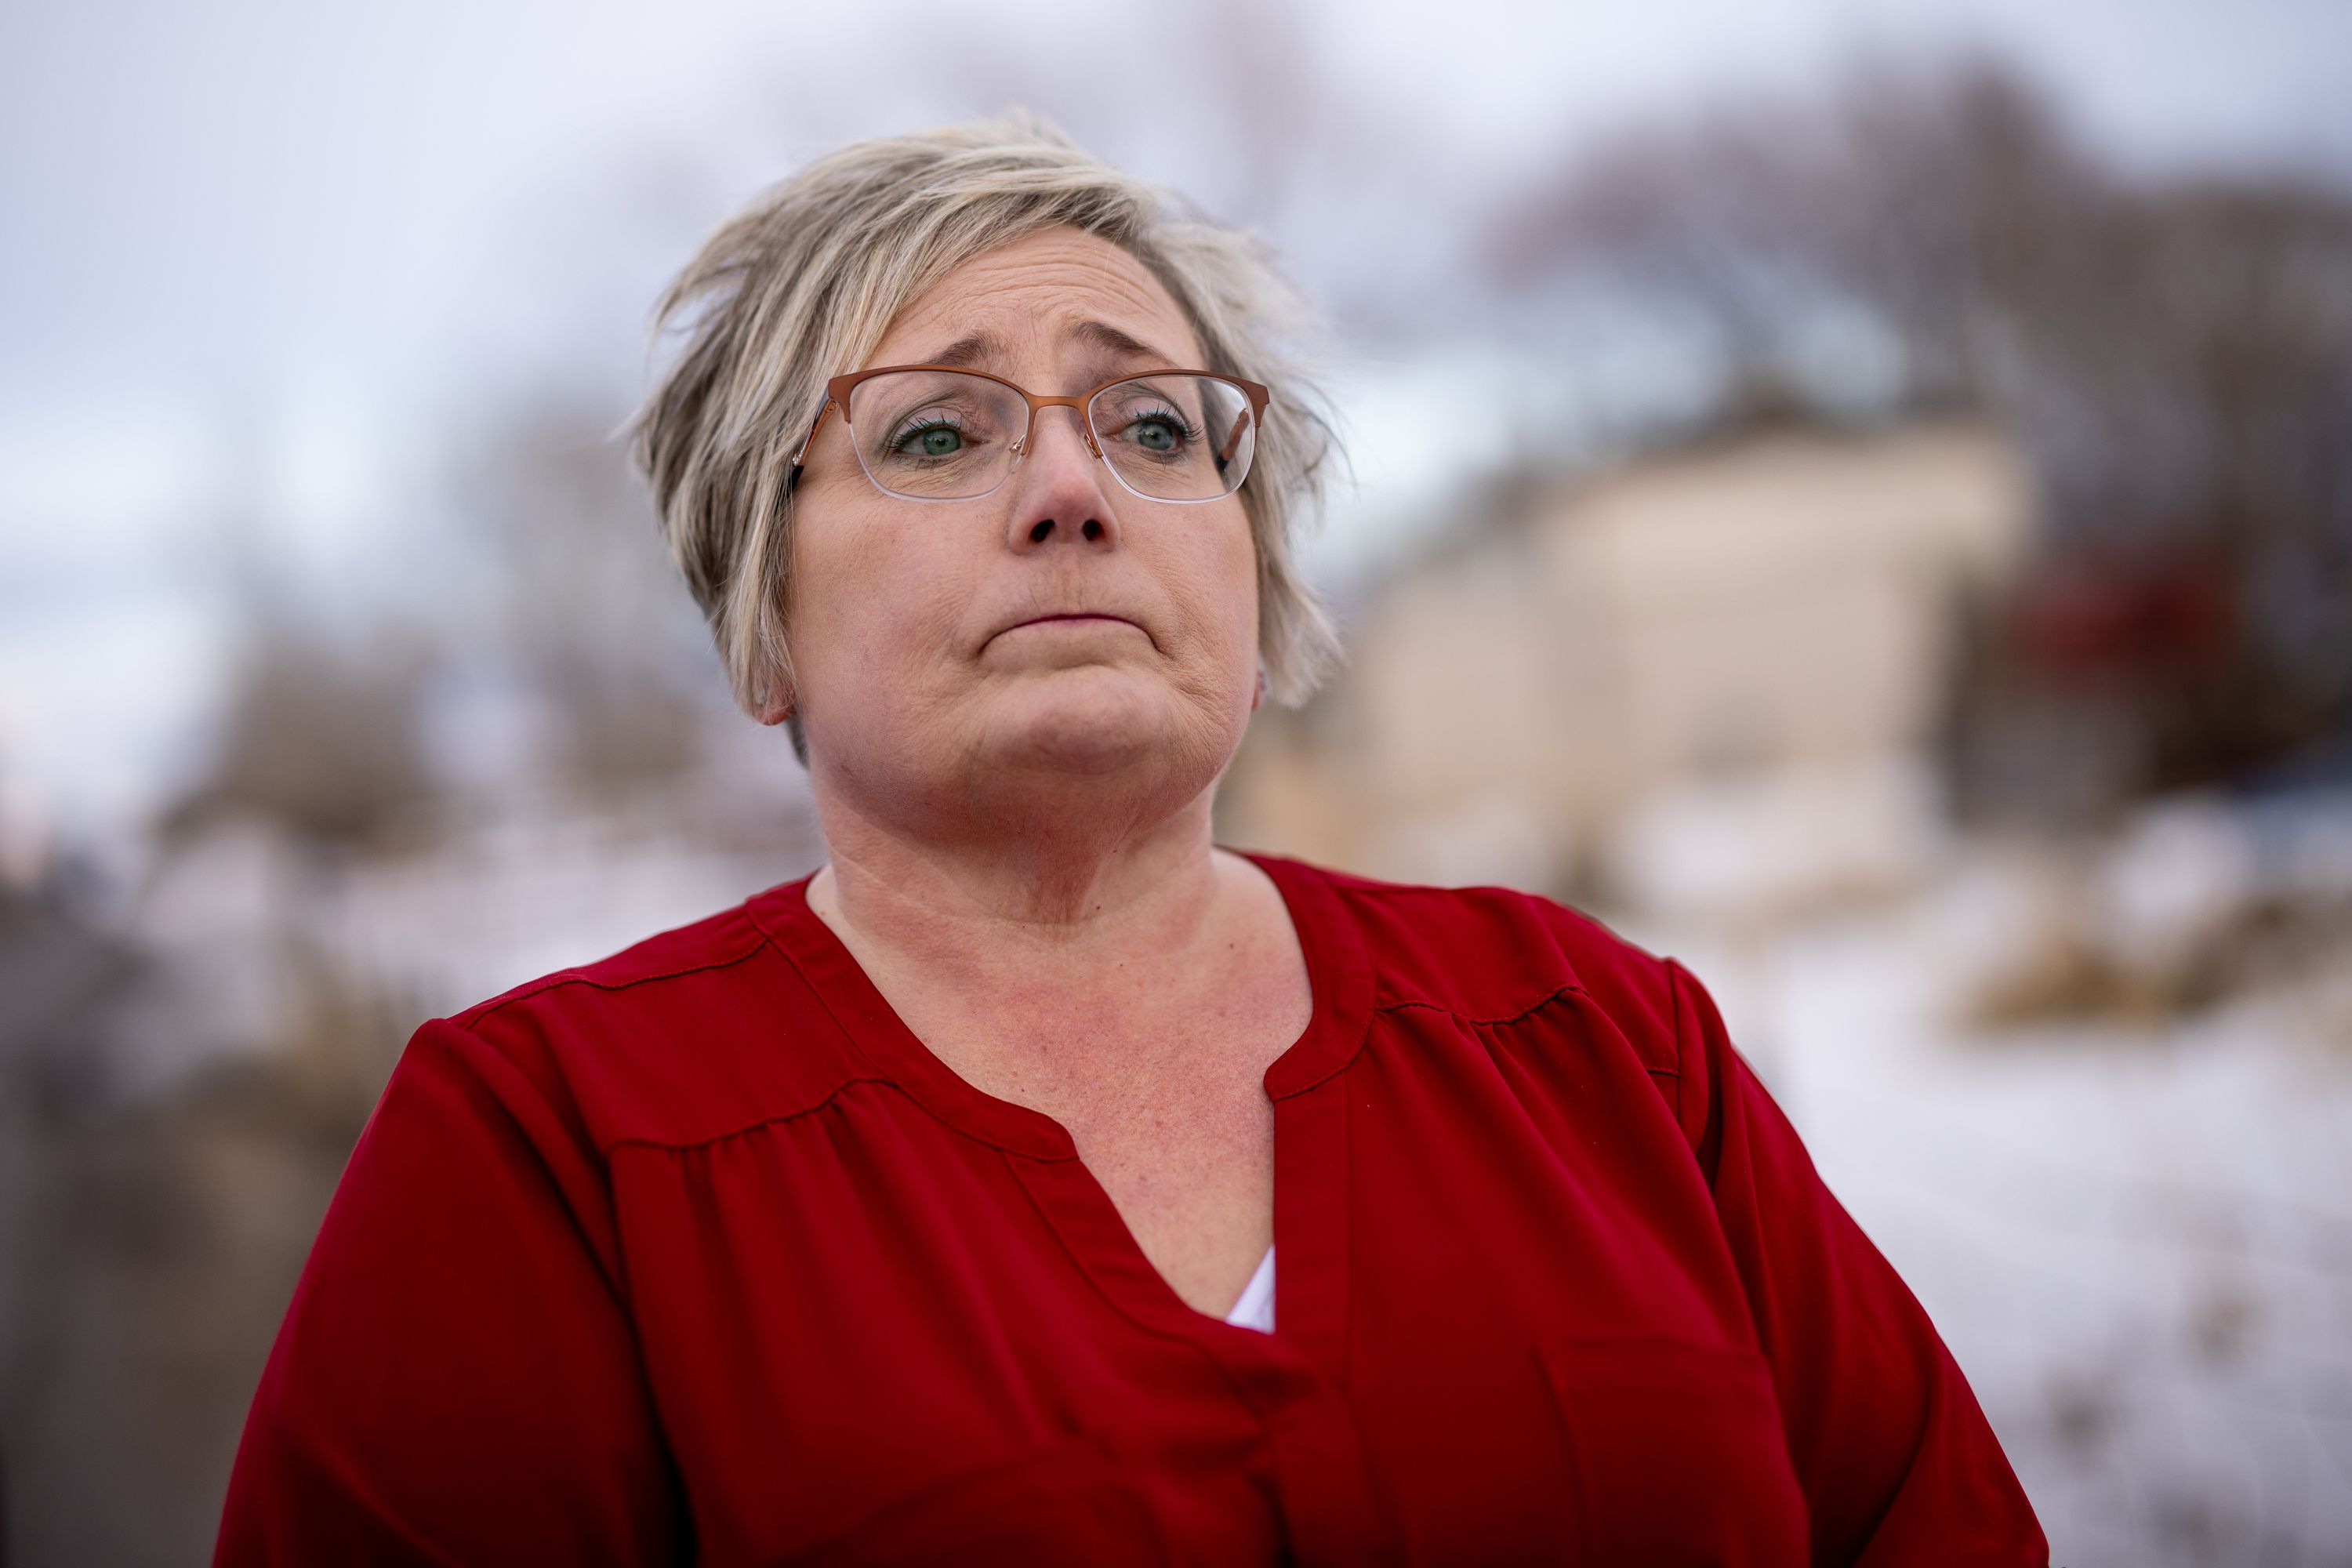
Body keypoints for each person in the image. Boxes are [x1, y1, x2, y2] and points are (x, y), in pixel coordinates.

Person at [216, 116, 2046, 1566]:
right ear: (761, 619)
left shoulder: (1602, 1041)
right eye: (936, 432)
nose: (1074, 487)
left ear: (1252, 573)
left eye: (1157, 423)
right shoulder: (550, 1157)